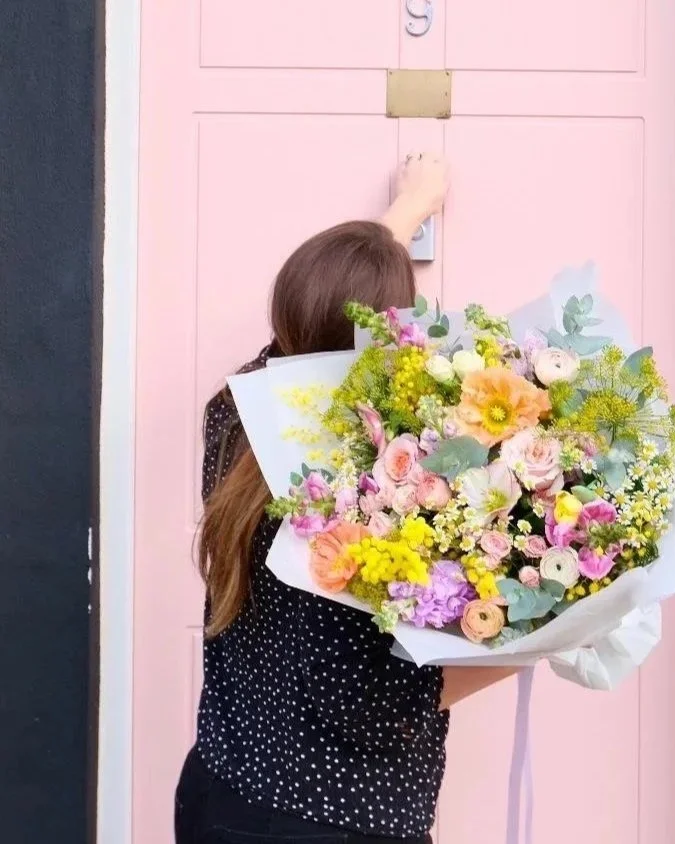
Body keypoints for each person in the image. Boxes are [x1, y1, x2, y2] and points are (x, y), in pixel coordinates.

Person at [176, 153, 518, 844]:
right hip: (332, 818)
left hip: (219, 788)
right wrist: (536, 641)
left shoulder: (235, 414)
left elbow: (314, 327)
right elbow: (377, 705)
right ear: (386, 333)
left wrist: (400, 220)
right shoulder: (373, 489)